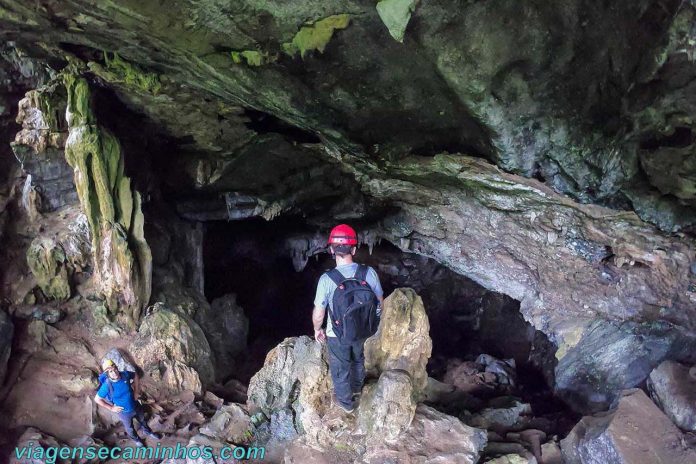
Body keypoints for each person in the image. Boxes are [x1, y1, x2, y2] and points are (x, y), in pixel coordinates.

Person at [313, 224, 384, 413]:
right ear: (353, 249)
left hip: (336, 333)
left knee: (341, 366)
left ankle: (346, 404)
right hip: (363, 328)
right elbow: (379, 302)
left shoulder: (327, 279)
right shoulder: (369, 273)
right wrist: (374, 324)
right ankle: (356, 389)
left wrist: (317, 329)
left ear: (331, 250)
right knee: (358, 359)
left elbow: (319, 312)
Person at [94, 359, 160, 447]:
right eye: (110, 371)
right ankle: (137, 440)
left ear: (117, 368)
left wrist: (136, 391)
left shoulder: (125, 374)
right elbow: (97, 399)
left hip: (135, 404)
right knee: (130, 429)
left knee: (143, 420)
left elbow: (135, 376)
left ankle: (148, 432)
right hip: (123, 412)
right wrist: (111, 408)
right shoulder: (107, 385)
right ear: (107, 374)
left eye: (115, 369)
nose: (114, 373)